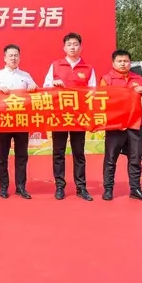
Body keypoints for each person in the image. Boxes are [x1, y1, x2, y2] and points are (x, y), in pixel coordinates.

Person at [42, 32, 95, 201]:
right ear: (64, 47)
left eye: (75, 44)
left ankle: (81, 187)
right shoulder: (55, 65)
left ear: (81, 47)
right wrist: (53, 84)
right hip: (59, 115)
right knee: (58, 152)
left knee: (79, 153)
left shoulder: (88, 68)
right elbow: (45, 87)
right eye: (69, 44)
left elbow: (93, 92)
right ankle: (60, 186)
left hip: (79, 116)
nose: (73, 47)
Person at [99, 49, 142, 202]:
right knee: (111, 159)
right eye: (119, 61)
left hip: (134, 124)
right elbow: (100, 100)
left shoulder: (137, 78)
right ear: (113, 63)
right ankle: (108, 189)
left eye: (126, 61)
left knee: (135, 158)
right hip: (115, 125)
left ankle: (135, 189)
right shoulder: (106, 79)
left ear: (130, 63)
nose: (123, 64)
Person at [0, 44, 38, 199]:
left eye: (16, 55)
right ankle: (3, 186)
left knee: (22, 155)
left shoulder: (25, 75)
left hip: (21, 120)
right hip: (4, 120)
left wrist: (34, 86)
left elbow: (36, 92)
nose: (13, 58)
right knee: (2, 156)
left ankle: (21, 187)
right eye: (10, 55)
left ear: (19, 57)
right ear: (5, 58)